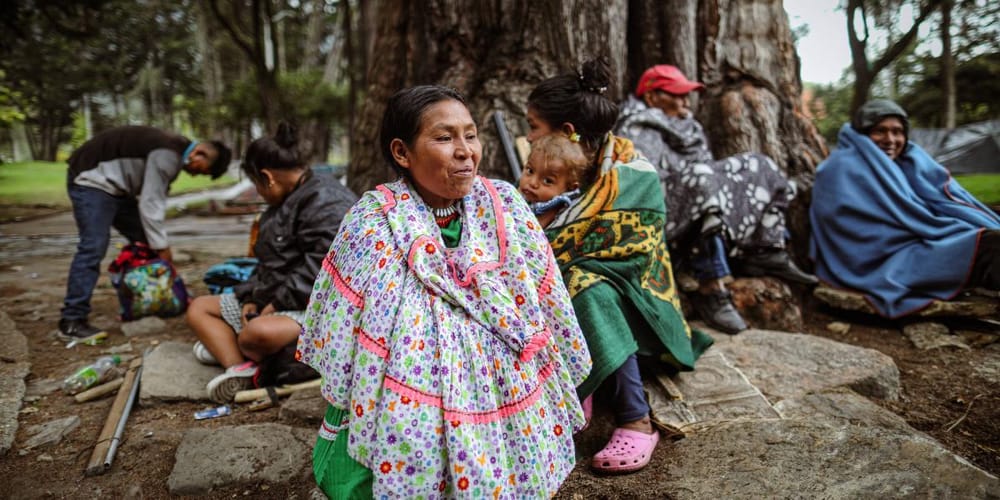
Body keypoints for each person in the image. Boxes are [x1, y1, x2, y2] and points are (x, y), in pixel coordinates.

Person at [296, 85, 592, 498]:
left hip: (501, 384)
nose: (465, 151)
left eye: (470, 135)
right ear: (402, 153)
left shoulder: (505, 205)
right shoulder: (373, 221)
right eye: (444, 137)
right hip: (408, 393)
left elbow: (539, 301)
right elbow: (365, 326)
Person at [525, 57, 714, 474]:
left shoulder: (633, 172)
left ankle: (636, 418)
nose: (527, 135)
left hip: (638, 301)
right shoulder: (545, 171)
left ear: (567, 132)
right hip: (574, 295)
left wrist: (557, 248)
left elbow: (635, 254)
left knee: (589, 286)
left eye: (534, 126)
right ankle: (582, 375)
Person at [614, 64, 817, 335]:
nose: (686, 101)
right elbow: (646, 181)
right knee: (702, 180)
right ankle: (711, 286)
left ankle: (765, 249)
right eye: (677, 94)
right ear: (652, 98)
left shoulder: (689, 128)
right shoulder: (636, 125)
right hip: (661, 217)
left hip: (699, 202)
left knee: (759, 165)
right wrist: (697, 182)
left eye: (687, 94)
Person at [185, 123, 357, 403]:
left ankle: (235, 348)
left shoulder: (327, 202)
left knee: (256, 334)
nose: (259, 192)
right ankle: (240, 369)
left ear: (267, 177)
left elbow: (322, 271)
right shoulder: (290, 197)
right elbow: (272, 265)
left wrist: (274, 305)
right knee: (199, 308)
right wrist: (253, 296)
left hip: (319, 308)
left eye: (256, 185)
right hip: (280, 299)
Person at [810, 99, 1000, 318]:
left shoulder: (906, 162)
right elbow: (858, 231)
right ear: (861, 133)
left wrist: (946, 228)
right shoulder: (841, 167)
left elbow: (939, 202)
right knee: (992, 245)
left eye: (897, 132)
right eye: (880, 131)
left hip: (923, 241)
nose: (890, 140)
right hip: (885, 262)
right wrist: (943, 232)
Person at [59, 125, 232, 341]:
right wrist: (163, 248)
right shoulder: (168, 154)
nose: (196, 174)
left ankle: (149, 298)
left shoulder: (173, 150)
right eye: (201, 169)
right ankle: (72, 320)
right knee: (93, 247)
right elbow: (151, 204)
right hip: (91, 182)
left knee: (144, 239)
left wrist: (156, 245)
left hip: (118, 191)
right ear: (199, 153)